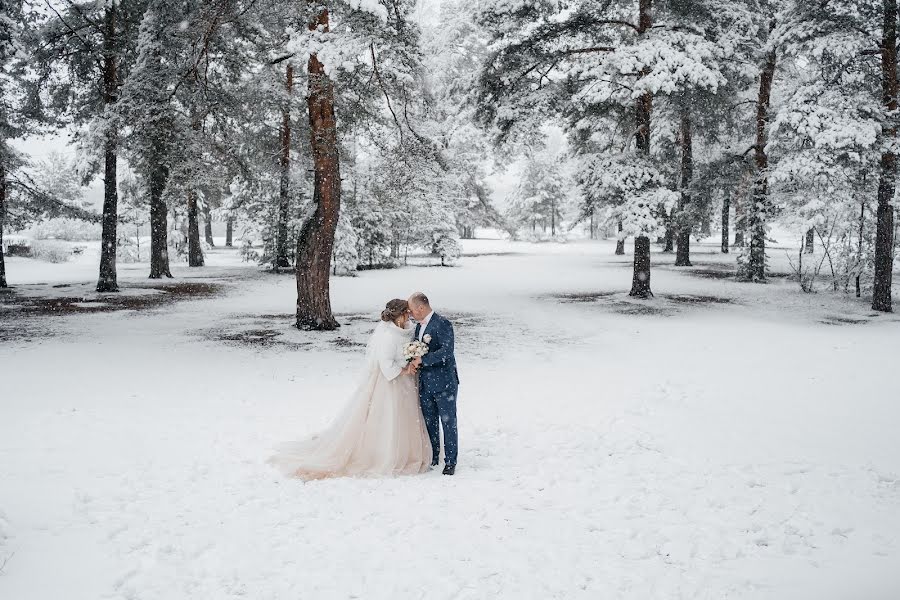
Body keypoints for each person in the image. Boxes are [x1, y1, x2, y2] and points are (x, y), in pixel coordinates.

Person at [269, 299, 433, 480]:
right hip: (391, 384)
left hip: (406, 383)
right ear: (400, 315)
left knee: (405, 418)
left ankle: (406, 450)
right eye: (407, 312)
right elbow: (386, 367)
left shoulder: (406, 330)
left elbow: (406, 350)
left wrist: (413, 359)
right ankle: (384, 452)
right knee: (389, 417)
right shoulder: (388, 336)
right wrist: (405, 369)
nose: (410, 315)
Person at [408, 292, 460, 476]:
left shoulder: (443, 323)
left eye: (412, 310)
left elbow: (447, 351)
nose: (411, 314)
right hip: (425, 383)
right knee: (429, 422)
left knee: (448, 422)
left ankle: (451, 461)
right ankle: (434, 456)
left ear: (421, 308)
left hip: (444, 382)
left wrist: (423, 360)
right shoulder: (418, 327)